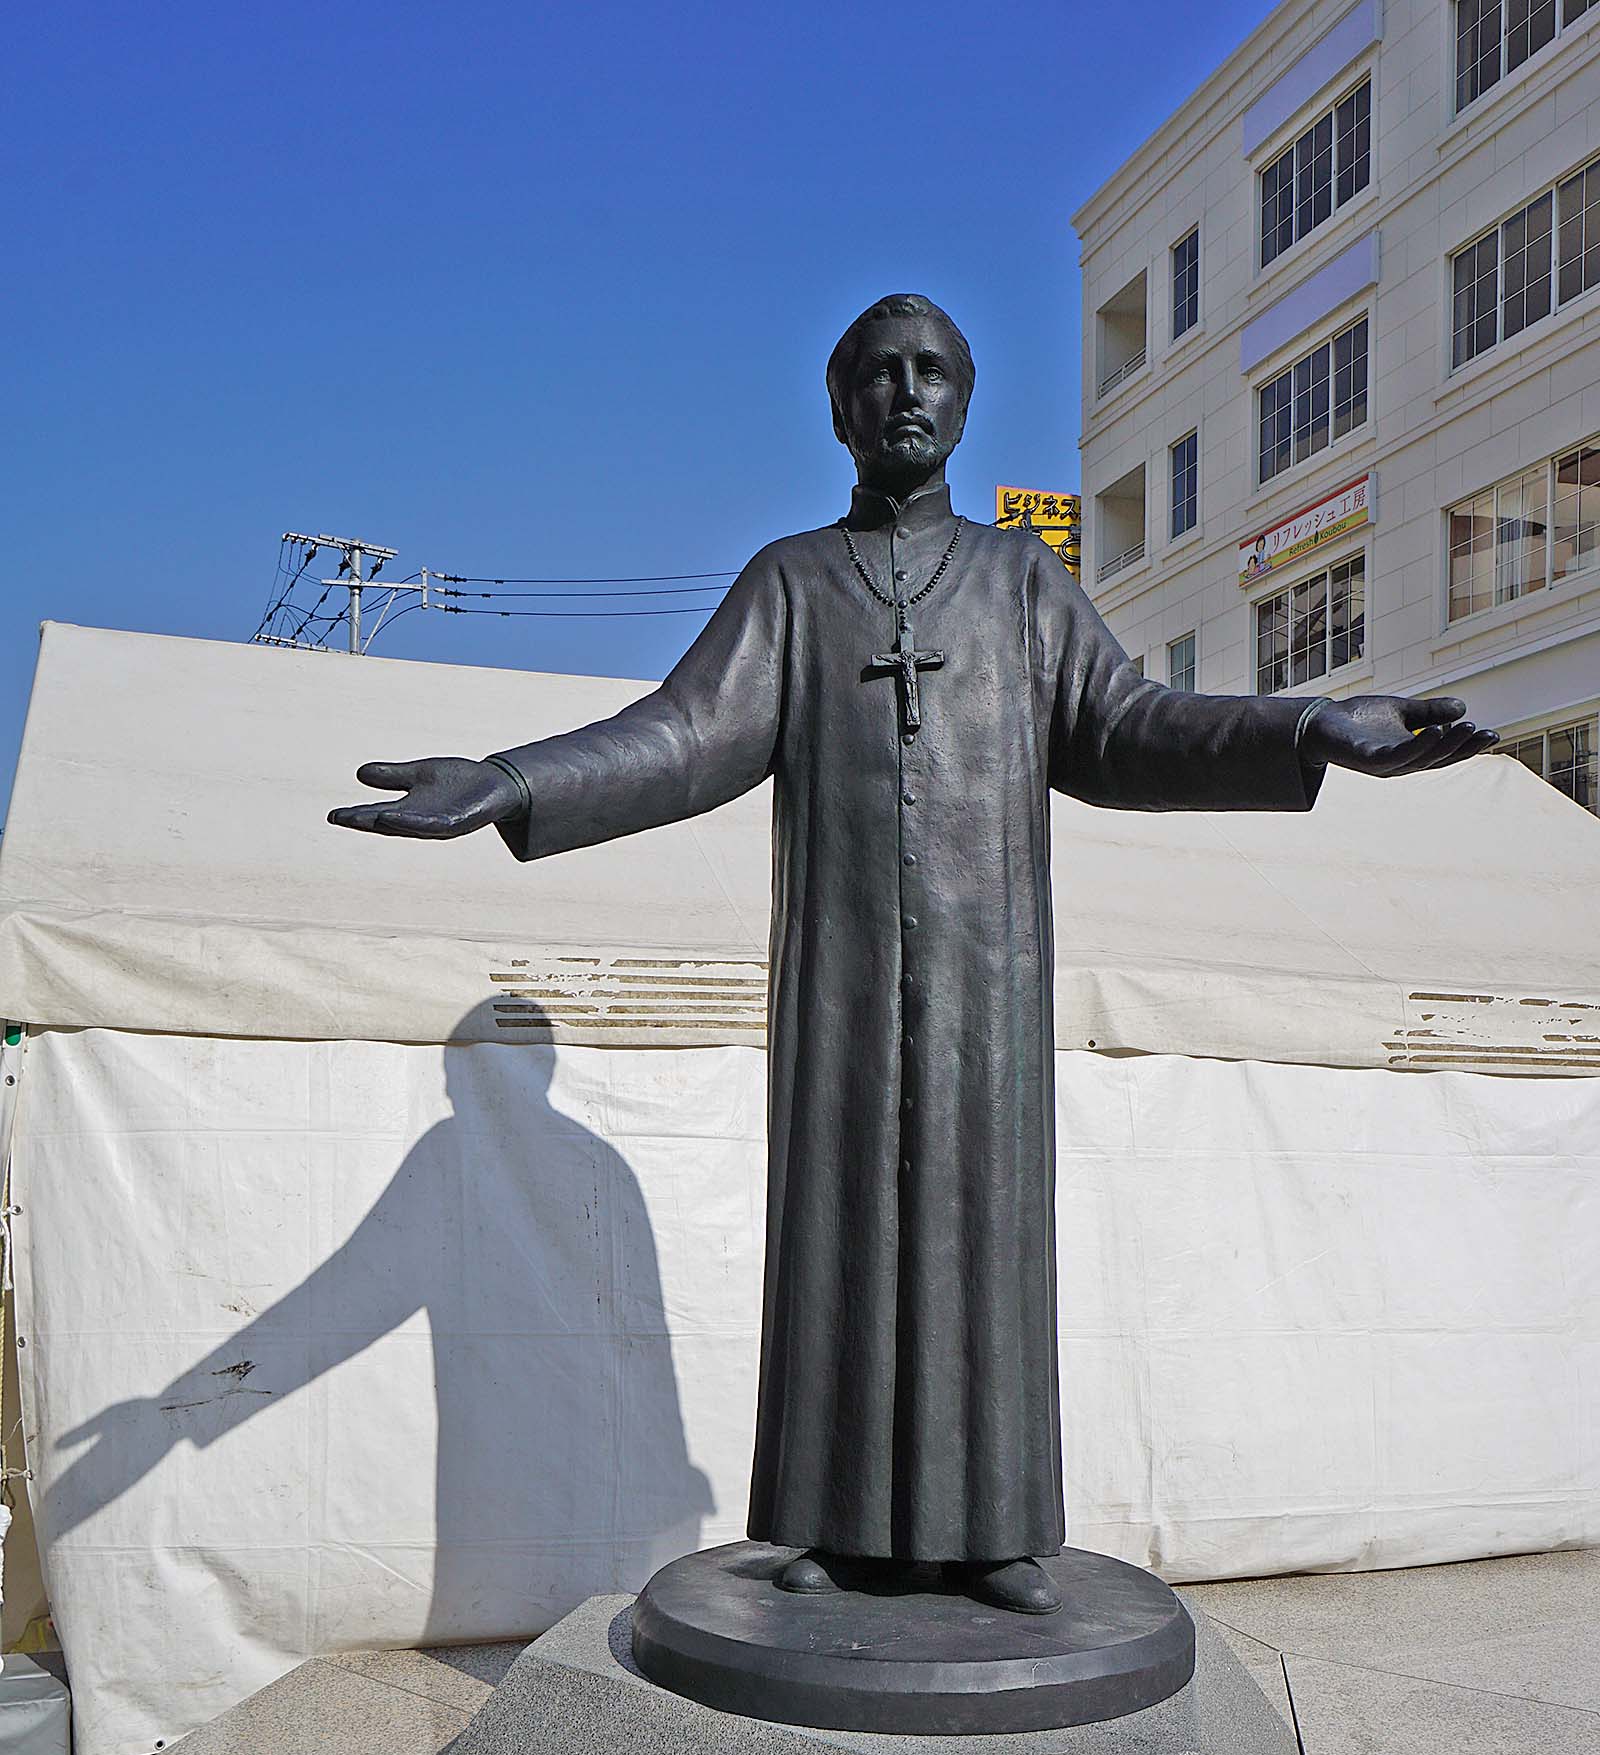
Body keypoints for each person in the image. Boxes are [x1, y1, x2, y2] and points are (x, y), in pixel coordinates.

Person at [331, 293, 1495, 1614]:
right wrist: (511, 780)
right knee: (838, 1239)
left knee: (977, 1237)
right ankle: (831, 1523)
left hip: (982, 985)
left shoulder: (1018, 582)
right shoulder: (793, 582)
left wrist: (1308, 727)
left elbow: (1131, 725)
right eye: (877, 373)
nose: (906, 391)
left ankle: (994, 1527)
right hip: (838, 979)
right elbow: (689, 733)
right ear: (838, 408)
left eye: (932, 370)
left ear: (964, 400)